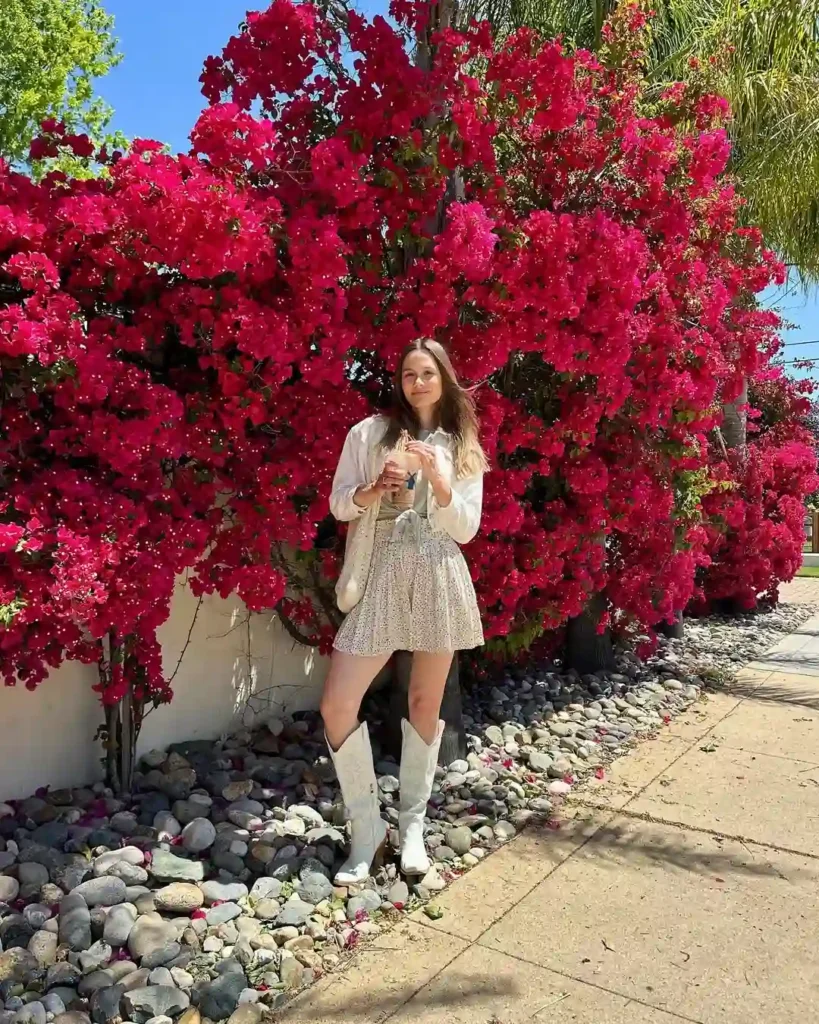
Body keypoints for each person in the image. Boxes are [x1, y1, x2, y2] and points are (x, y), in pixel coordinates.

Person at [321, 338, 487, 883]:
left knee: (424, 701)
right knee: (338, 703)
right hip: (381, 570)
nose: (418, 382)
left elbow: (466, 529)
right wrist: (374, 489)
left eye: (428, 373)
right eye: (409, 373)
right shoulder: (368, 434)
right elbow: (339, 503)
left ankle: (412, 826)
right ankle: (367, 829)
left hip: (438, 568)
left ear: (444, 378)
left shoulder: (462, 445)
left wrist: (439, 481)